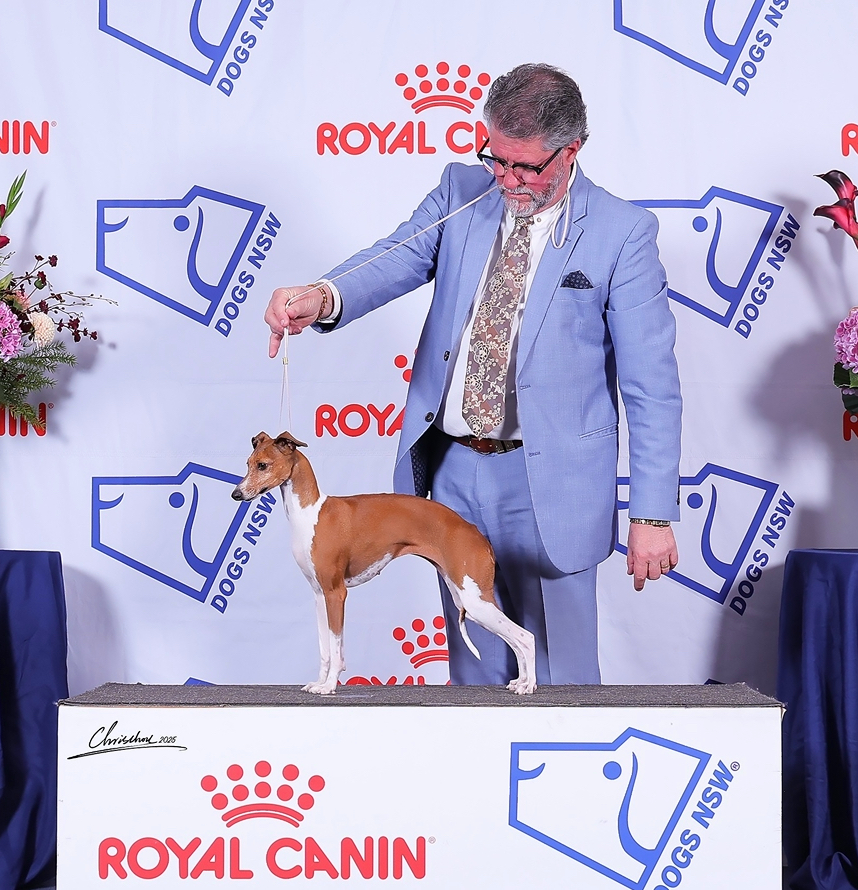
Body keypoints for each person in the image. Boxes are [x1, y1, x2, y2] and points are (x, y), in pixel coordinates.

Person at [264, 63, 681, 686]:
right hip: (453, 471)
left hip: (555, 481)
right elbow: (393, 258)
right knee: (475, 668)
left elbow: (652, 385)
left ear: (571, 150)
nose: (506, 179)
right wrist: (322, 296)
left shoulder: (622, 232)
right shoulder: (462, 191)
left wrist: (653, 512)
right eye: (495, 158)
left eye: (525, 167)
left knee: (564, 684)